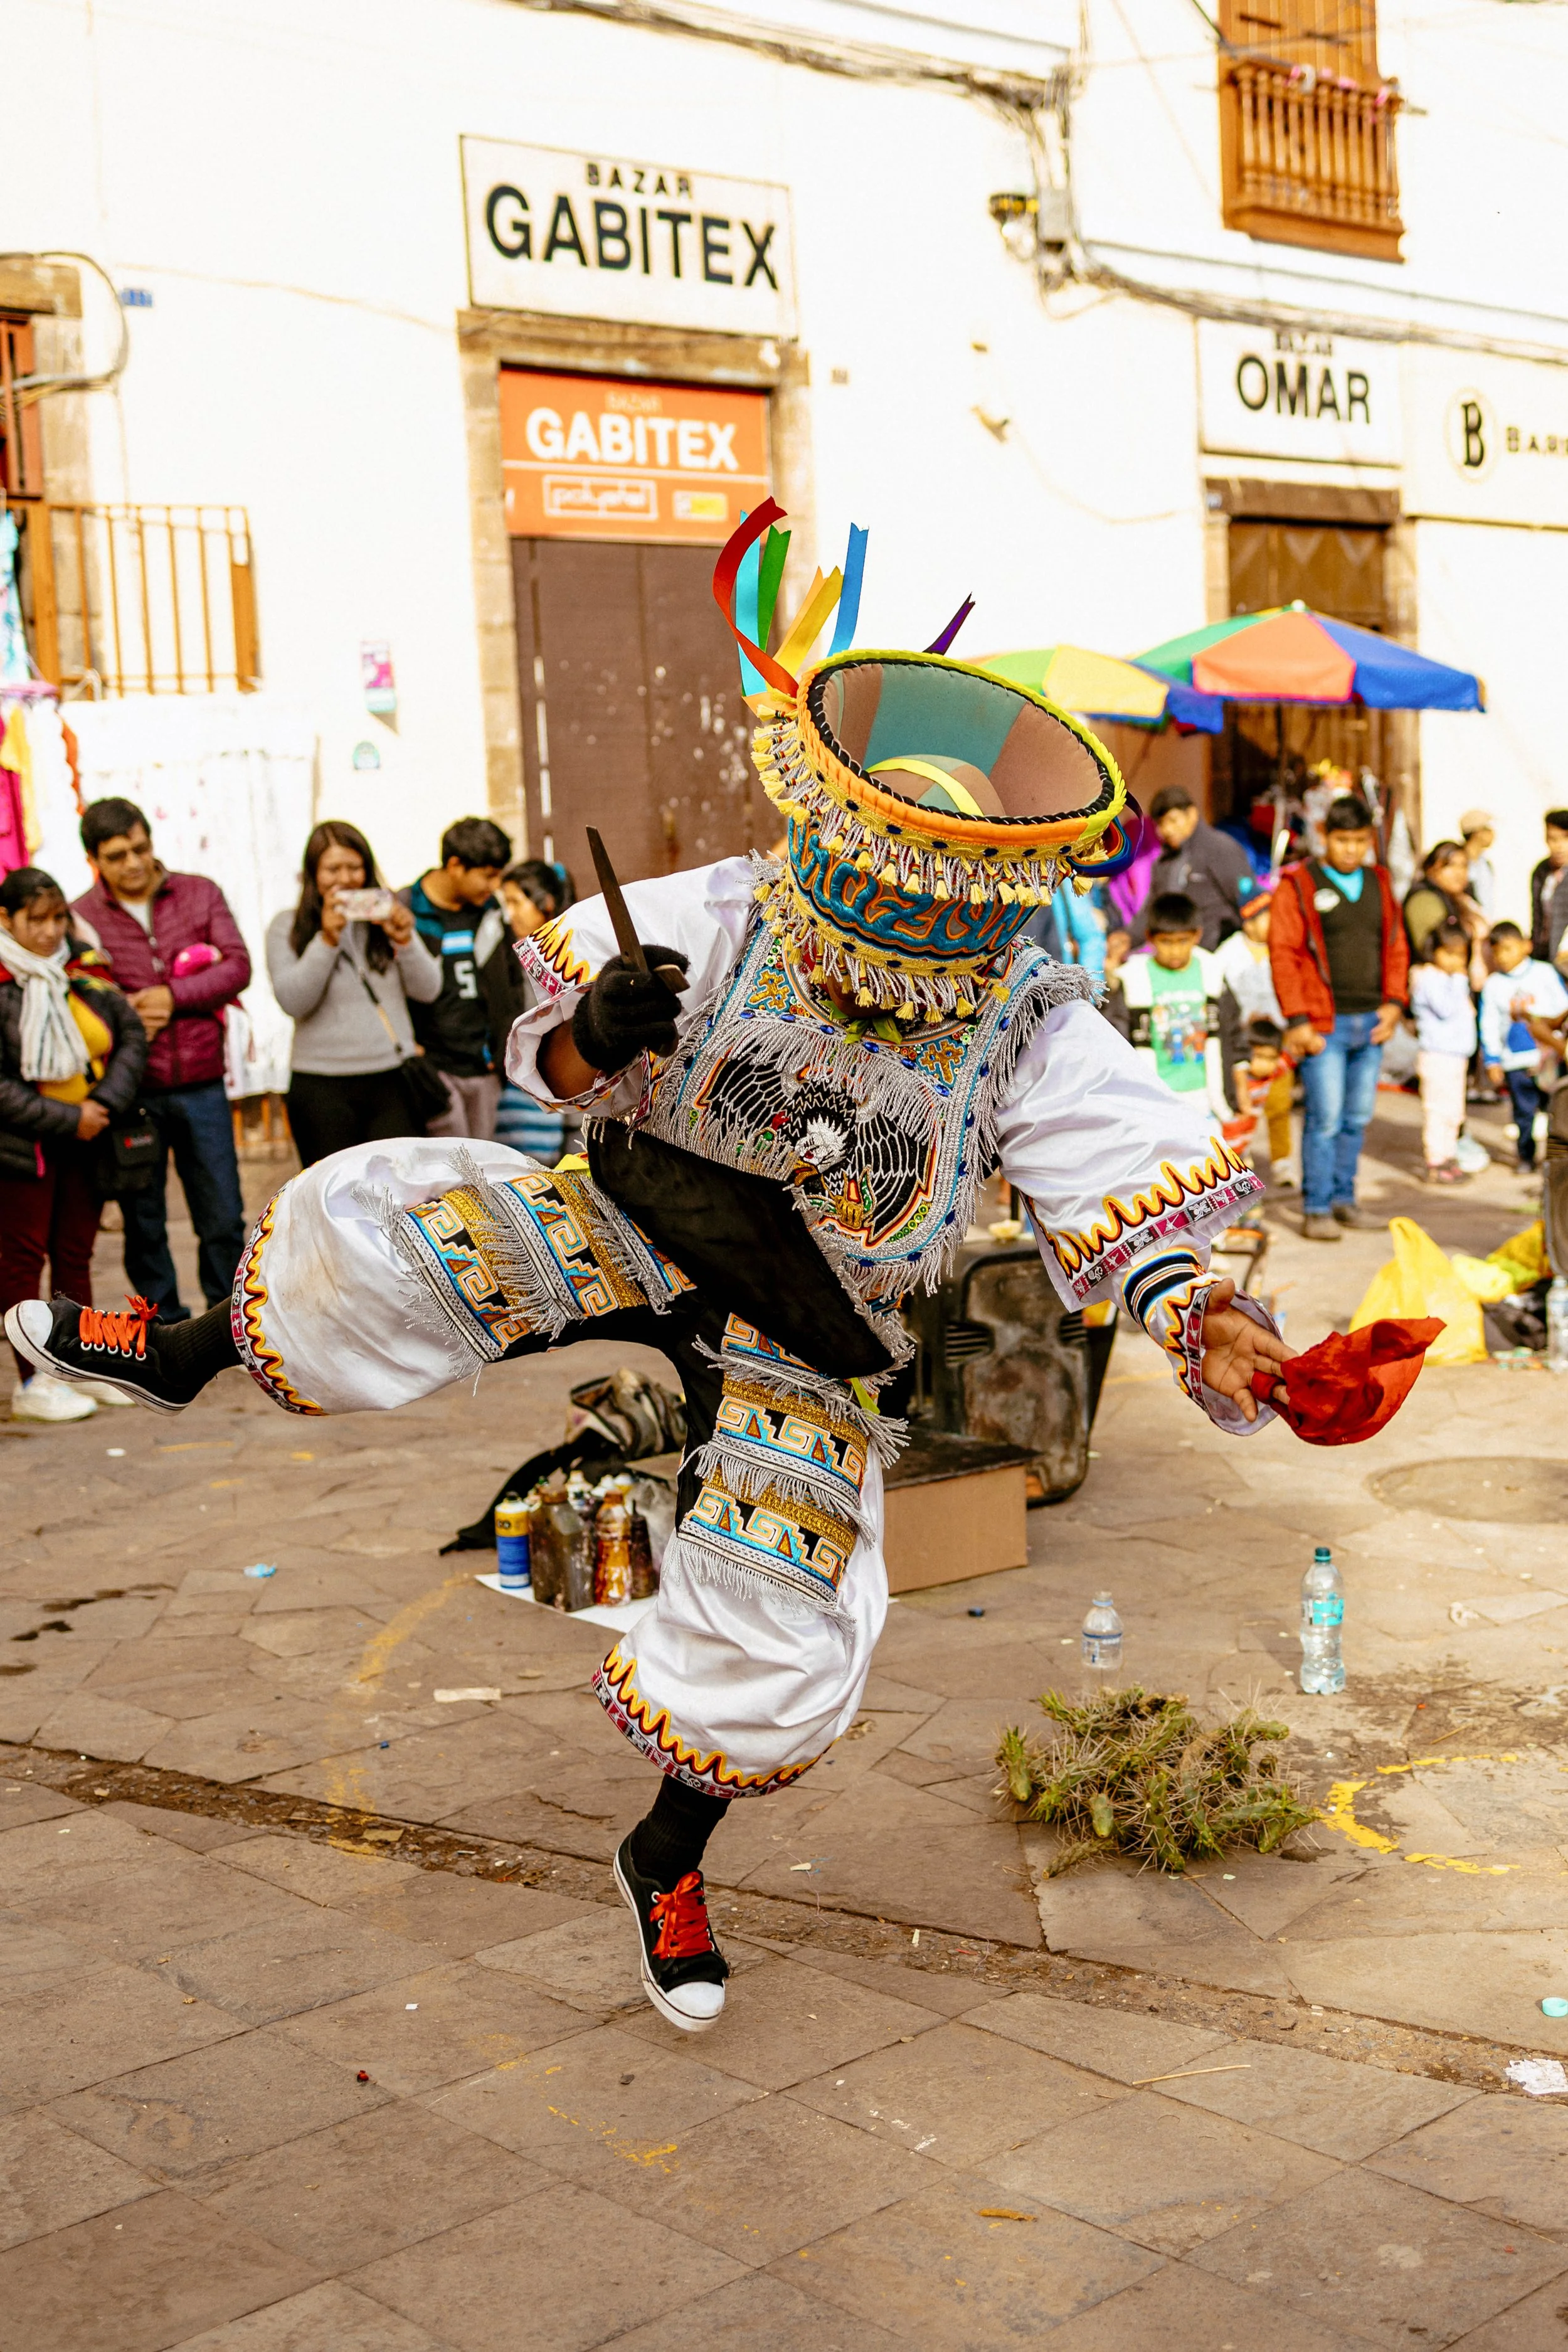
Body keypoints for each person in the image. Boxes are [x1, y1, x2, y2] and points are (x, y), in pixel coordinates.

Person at [8, 514, 1314, 2039]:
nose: (893, 928)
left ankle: (664, 1855)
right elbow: (542, 1053)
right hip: (647, 1213)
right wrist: (599, 1036)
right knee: (403, 1240)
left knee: (786, 1613)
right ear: (836, 829)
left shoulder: (1023, 1017)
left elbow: (1118, 1178)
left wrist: (1203, 1315)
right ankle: (172, 1343)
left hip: (813, 1319)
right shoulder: (728, 908)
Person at [71, 798, 250, 1321]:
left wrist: (172, 995)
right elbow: (81, 993)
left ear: (152, 843)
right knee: (143, 1220)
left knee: (221, 1214)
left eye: (140, 849)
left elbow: (237, 966)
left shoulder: (200, 894)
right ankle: (164, 1328)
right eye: (117, 854)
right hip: (132, 1091)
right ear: (95, 860)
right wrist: (125, 1012)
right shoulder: (81, 918)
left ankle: (226, 1324)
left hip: (201, 1082)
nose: (132, 863)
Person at [0, 867, 147, 1423]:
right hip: (24, 1147)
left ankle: (79, 1366)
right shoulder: (2, 982)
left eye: (56, 918)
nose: (48, 932)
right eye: (34, 920)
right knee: (22, 1261)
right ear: (6, 920)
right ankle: (33, 1379)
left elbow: (130, 1034)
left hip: (89, 1137)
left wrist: (103, 1106)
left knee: (74, 1256)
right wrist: (69, 1117)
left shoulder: (83, 970)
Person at [1270, 791, 1409, 1241]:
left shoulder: (1380, 882)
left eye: (1360, 840)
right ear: (1325, 836)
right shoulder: (1300, 884)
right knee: (1325, 1118)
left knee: (1357, 1117)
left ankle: (1345, 1200)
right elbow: (1284, 953)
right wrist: (1297, 1020)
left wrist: (1394, 1003)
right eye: (1343, 839)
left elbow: (1396, 946)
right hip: (1322, 1025)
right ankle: (1316, 1207)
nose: (1351, 849)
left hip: (1371, 1021)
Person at [266, 822, 443, 1168]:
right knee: (334, 1197)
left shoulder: (384, 921)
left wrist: (405, 940)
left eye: (354, 867)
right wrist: (327, 940)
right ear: (312, 874)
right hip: (320, 1087)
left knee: (399, 1195)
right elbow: (293, 1001)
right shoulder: (286, 927)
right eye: (333, 869)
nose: (345, 879)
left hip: (392, 1080)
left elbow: (429, 989)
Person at [396, 817, 512, 1140]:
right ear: (456, 865)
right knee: (441, 1177)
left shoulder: (490, 913)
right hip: (432, 1069)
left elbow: (509, 986)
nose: (494, 886)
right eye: (488, 876)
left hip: (484, 1068)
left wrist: (503, 1051)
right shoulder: (408, 910)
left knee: (477, 1174)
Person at [1104, 890, 1239, 1125]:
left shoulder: (1212, 973)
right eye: (1166, 942)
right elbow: (1116, 1034)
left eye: (1183, 941)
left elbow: (1232, 1027)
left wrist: (1239, 1084)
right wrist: (1111, 985)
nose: (1175, 951)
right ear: (1150, 938)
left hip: (1207, 1098)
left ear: (1197, 935)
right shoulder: (1135, 978)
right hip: (1157, 1098)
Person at [488, 859, 575, 1162]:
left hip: (565, 1079)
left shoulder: (572, 952)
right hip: (520, 1085)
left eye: (515, 902)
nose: (508, 914)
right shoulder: (506, 950)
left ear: (545, 903)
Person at [1480, 919, 1568, 1175]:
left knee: (1556, 1112)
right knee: (1523, 1113)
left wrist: (1544, 1027)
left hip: (1548, 1058)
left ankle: (1555, 1161)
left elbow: (1561, 1009)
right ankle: (1526, 1156)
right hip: (1515, 1061)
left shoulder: (1544, 973)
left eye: (1508, 949)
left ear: (1525, 946)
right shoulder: (1493, 985)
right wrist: (1492, 1060)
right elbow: (1489, 1024)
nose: (1503, 957)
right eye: (1498, 952)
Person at [1124, 785, 1256, 953]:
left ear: (1192, 814)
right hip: (1178, 959)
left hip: (1220, 954)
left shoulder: (1219, 849)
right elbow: (1154, 910)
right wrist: (1128, 938)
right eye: (1161, 824)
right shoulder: (1164, 863)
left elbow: (1248, 900)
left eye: (1173, 820)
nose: (1167, 830)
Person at [1410, 921, 1478, 1184]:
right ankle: (1436, 1161)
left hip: (1456, 1056)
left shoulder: (1449, 979)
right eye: (1450, 953)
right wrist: (1461, 980)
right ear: (1434, 950)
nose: (1456, 961)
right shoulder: (1428, 978)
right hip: (1437, 1056)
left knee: (1454, 1112)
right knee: (1438, 1111)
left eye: (1461, 955)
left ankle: (1449, 1156)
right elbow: (1445, 1009)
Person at [1403, 840, 1486, 967]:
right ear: (1432, 869)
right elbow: (1434, 952)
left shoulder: (1460, 898)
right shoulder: (1424, 900)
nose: (1459, 872)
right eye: (1450, 866)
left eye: (1464, 866)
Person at [1530, 807, 1568, 968]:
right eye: (1553, 839)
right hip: (1545, 957)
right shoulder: (1541, 871)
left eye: (1565, 838)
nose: (1559, 846)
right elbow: (1537, 916)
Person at [1459, 810, 1497, 919]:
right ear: (1478, 832)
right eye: (1488, 829)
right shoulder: (1460, 863)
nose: (1493, 833)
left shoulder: (1486, 864)